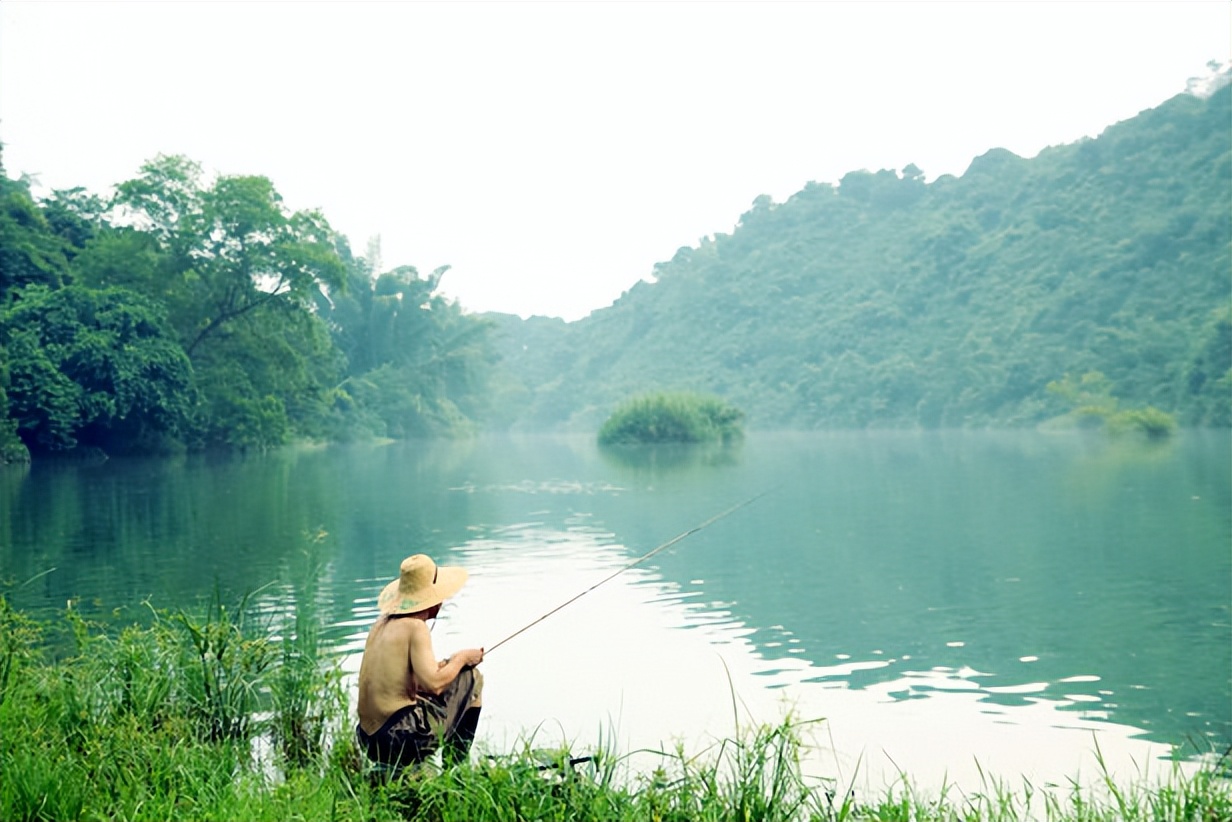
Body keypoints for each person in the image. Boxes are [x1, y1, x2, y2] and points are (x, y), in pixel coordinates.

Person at [356, 554, 485, 770]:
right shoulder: (416, 627)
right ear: (433, 599)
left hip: (369, 740)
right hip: (399, 739)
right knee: (472, 678)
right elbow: (434, 685)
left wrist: (448, 664)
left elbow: (411, 681)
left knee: (457, 674)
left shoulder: (381, 624)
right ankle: (455, 771)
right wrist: (463, 658)